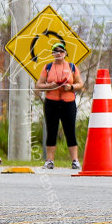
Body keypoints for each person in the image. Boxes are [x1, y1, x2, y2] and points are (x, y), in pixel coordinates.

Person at [36, 41, 84, 169]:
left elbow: (80, 83)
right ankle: (49, 160)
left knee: (70, 130)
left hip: (68, 102)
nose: (58, 53)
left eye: (61, 51)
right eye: (55, 51)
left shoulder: (72, 66)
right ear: (52, 54)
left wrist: (71, 87)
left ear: (65, 53)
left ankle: (75, 160)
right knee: (52, 130)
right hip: (51, 101)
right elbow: (38, 85)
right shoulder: (47, 67)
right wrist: (50, 86)